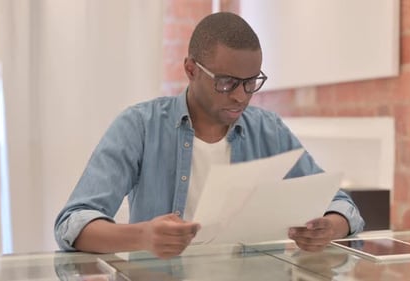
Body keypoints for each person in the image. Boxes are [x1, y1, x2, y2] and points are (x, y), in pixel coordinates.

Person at [54, 12, 364, 259]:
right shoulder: (139, 126)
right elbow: (73, 222)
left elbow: (342, 205)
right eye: (227, 82)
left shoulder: (268, 129)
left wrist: (329, 227)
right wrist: (143, 236)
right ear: (191, 69)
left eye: (251, 82)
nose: (241, 96)